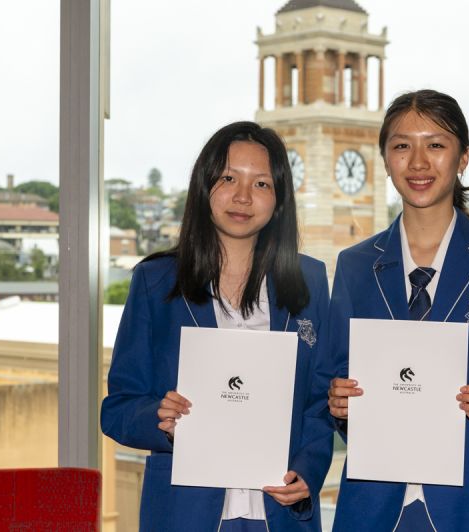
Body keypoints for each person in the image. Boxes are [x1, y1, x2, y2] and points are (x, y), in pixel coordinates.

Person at [326, 90, 469, 531]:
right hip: (373, 508)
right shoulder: (355, 266)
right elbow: (333, 378)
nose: (417, 162)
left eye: (435, 145)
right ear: (385, 158)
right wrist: (338, 402)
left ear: (463, 157)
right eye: (401, 146)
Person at [101, 121, 334, 532]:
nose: (243, 196)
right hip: (185, 513)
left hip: (278, 512)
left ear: (279, 199)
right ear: (204, 186)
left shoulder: (310, 280)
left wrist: (308, 470)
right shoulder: (156, 281)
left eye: (261, 184)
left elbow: (318, 400)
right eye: (229, 178)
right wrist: (159, 417)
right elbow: (117, 407)